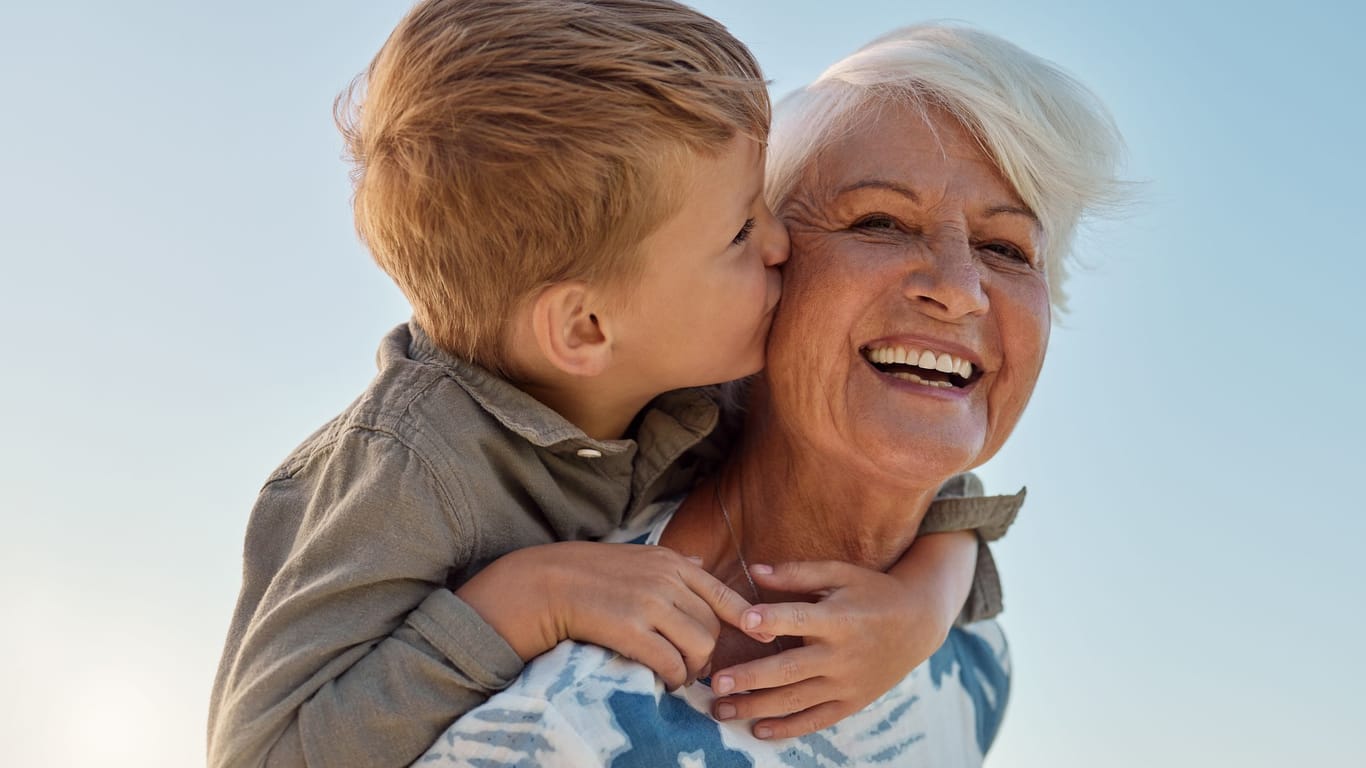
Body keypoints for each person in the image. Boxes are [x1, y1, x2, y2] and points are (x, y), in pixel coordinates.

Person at [207, 4, 1012, 767]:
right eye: (739, 231)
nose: (780, 246)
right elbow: (265, 752)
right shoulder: (406, 474)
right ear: (586, 330)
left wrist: (920, 609)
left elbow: (924, 470)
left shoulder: (688, 375)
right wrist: (525, 602)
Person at [416, 21, 1126, 767]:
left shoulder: (976, 659)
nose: (959, 290)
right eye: (880, 222)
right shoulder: (560, 716)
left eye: (1006, 249)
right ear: (766, 271)